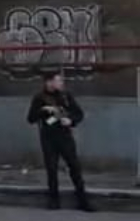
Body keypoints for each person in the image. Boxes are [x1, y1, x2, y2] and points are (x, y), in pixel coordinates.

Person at [27, 71, 92, 211]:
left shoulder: (66, 96)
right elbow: (31, 119)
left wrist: (70, 120)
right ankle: (53, 200)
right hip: (48, 137)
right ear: (49, 82)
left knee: (74, 167)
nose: (61, 83)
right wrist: (43, 110)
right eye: (58, 80)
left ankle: (83, 200)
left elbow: (78, 113)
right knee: (51, 169)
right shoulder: (39, 97)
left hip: (65, 136)